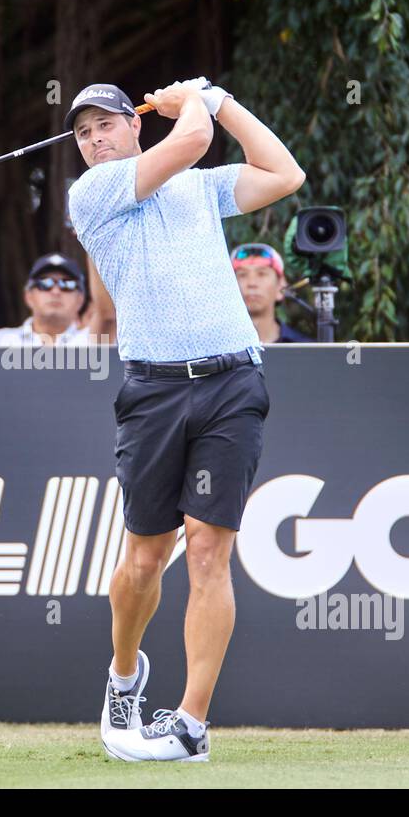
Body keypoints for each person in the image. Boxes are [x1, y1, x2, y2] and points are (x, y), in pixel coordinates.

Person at [66, 78, 304, 761]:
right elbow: (194, 138)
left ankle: (191, 723)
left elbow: (285, 173)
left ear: (133, 125)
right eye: (82, 134)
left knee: (208, 551)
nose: (94, 140)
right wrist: (197, 100)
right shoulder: (93, 195)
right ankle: (124, 674)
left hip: (233, 379)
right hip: (153, 391)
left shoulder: (195, 189)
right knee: (144, 558)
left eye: (105, 125)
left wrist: (224, 101)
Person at [0, 252, 92, 347]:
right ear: (28, 296)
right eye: (45, 283)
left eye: (67, 284)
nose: (56, 291)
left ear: (80, 299)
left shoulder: (93, 341)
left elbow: (106, 316)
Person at [231, 242, 311, 344]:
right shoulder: (217, 350)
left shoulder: (303, 349)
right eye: (242, 275)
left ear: (280, 286)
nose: (252, 283)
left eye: (262, 274)